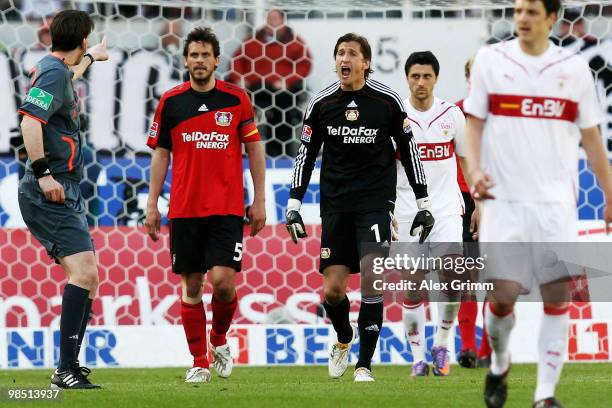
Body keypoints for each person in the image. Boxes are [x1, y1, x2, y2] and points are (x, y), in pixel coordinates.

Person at [464, 1, 612, 407]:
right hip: (504, 202)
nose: (522, 18)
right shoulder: (491, 61)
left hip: (556, 204)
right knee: (502, 298)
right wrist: (475, 171)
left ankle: (544, 395)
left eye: (531, 11)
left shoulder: (574, 69)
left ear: (551, 18)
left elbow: (592, 139)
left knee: (557, 296)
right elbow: (472, 127)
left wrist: (610, 193)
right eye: (518, 10)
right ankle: (499, 361)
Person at [286, 32, 433, 382]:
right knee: (333, 291)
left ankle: (364, 365)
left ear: (366, 62)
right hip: (336, 204)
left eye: (351, 53)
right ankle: (343, 337)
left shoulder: (386, 101)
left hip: (375, 203)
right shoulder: (321, 104)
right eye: (339, 53)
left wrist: (423, 202)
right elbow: (305, 156)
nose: (344, 59)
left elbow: (409, 151)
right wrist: (294, 204)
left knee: (372, 276)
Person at [145, 27, 266, 383]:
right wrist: (153, 204)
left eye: (205, 55)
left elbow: (255, 149)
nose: (199, 61)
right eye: (193, 55)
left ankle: (218, 339)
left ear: (216, 60)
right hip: (184, 208)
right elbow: (160, 154)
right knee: (193, 285)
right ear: (186, 60)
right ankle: (199, 361)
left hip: (227, 208)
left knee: (224, 282)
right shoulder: (171, 101)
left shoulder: (236, 99)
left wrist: (259, 198)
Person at [16, 9, 108, 389]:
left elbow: (69, 75)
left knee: (88, 277)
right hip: (49, 186)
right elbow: (29, 121)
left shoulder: (55, 69)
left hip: (64, 186)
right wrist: (43, 173)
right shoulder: (53, 72)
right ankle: (65, 369)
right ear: (83, 36)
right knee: (85, 274)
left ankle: (67, 367)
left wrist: (89, 59)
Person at [394, 51, 465, 378]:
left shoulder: (452, 115)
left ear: (436, 78)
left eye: (426, 77)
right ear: (407, 78)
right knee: (413, 286)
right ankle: (417, 358)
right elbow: (383, 167)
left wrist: (474, 201)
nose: (420, 83)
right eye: (414, 77)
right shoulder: (395, 116)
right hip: (408, 208)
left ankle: (442, 345)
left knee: (452, 278)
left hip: (447, 207)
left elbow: (465, 160)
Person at [228, 9, 312, 157]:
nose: (272, 23)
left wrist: (288, 80)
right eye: (269, 19)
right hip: (254, 86)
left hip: (281, 88)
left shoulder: (295, 42)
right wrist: (239, 78)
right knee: (240, 103)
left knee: (284, 104)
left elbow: (305, 64)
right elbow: (237, 59)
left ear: (283, 21)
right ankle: (243, 149)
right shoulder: (252, 40)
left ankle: (279, 150)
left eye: (275, 19)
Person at [455, 57, 492, 369]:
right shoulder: (455, 112)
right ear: (468, 78)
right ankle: (468, 348)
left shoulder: (505, 115)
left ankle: (488, 349)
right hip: (465, 201)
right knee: (467, 276)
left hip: (499, 199)